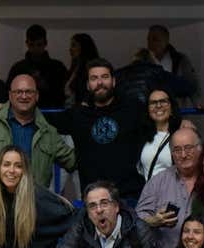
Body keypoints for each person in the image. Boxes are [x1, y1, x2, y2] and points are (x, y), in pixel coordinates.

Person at [0, 73, 76, 189]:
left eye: (29, 92)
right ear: (10, 95)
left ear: (37, 96)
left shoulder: (48, 132)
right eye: (18, 92)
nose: (24, 96)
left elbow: (73, 161)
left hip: (32, 203)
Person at [50, 59, 146, 198]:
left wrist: (181, 123)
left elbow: (160, 119)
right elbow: (44, 125)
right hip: (93, 198)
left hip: (129, 195)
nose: (100, 82)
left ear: (113, 81)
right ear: (88, 85)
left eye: (104, 77)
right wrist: (69, 158)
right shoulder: (78, 115)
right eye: (94, 78)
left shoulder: (132, 108)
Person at [137, 126, 204, 248]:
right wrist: (153, 221)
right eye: (177, 150)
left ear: (200, 149)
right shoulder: (158, 181)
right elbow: (137, 221)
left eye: (188, 148)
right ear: (172, 154)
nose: (183, 155)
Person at [8, 24, 69, 109]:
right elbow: (10, 94)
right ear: (27, 44)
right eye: (32, 45)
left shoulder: (58, 67)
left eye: (39, 45)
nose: (35, 49)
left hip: (52, 112)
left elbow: (64, 94)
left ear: (45, 43)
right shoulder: (18, 68)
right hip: (25, 113)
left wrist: (45, 85)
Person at [146, 25, 202, 107]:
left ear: (166, 40)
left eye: (155, 39)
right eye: (148, 40)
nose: (151, 43)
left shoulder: (180, 60)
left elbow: (192, 82)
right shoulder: (142, 62)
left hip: (176, 111)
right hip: (151, 112)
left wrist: (198, 102)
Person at [137, 88, 184, 182]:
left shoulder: (181, 135)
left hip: (173, 193)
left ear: (172, 108)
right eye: (153, 103)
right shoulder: (141, 135)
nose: (158, 105)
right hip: (150, 194)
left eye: (163, 101)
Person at [117, 49, 190, 110]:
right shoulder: (159, 73)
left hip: (126, 118)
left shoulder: (119, 74)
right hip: (152, 118)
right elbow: (187, 87)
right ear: (152, 59)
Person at [65, 33, 101, 108]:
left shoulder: (91, 69)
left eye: (74, 45)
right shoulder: (74, 68)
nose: (70, 49)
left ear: (84, 47)